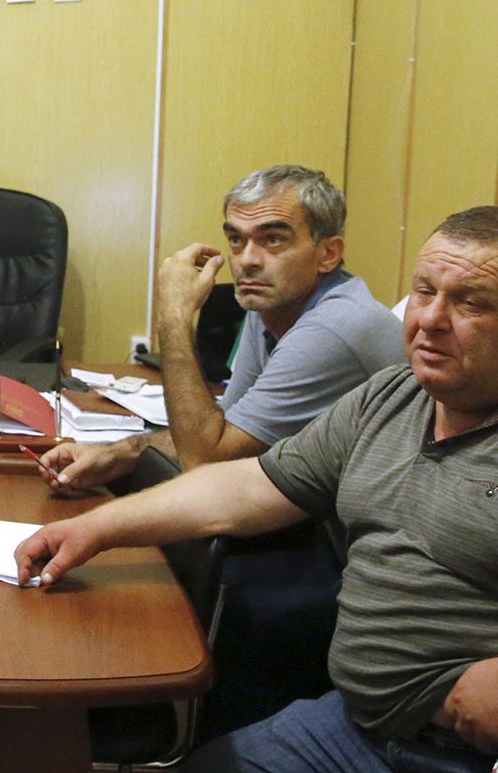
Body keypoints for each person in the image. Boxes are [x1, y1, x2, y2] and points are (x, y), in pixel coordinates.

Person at [16, 205, 498, 772]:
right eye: (423, 292)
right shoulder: (389, 398)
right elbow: (246, 487)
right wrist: (94, 528)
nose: (431, 319)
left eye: (470, 303)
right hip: (355, 725)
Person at [42, 164, 405, 736]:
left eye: (273, 239)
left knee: (153, 576)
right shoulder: (274, 309)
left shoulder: (335, 327)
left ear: (328, 252)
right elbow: (226, 433)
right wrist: (124, 450)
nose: (247, 260)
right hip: (310, 522)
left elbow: (207, 461)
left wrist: (174, 318)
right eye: (236, 240)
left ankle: (150, 727)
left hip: (364, 564)